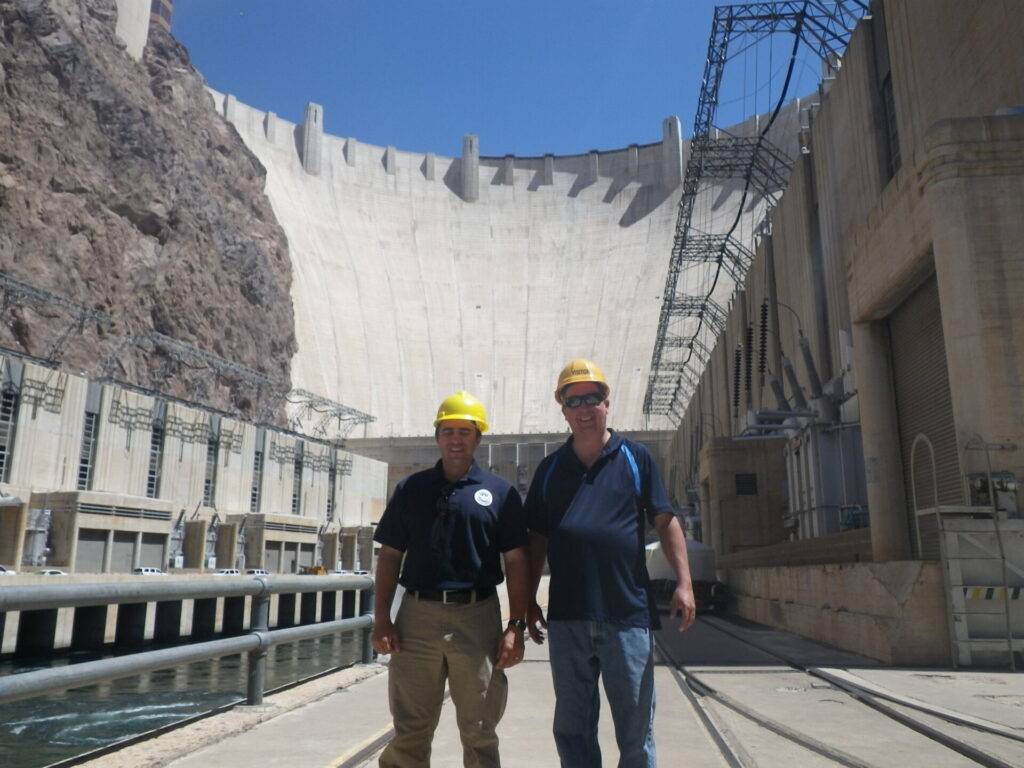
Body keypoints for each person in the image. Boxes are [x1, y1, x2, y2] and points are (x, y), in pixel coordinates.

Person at [524, 359, 696, 768]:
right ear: (563, 409)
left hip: (628, 617)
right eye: (574, 400)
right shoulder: (549, 471)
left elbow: (665, 521)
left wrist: (684, 583)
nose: (584, 409)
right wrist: (526, 602)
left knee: (636, 733)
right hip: (568, 619)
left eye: (593, 399)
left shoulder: (636, 458)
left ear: (607, 403)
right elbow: (535, 542)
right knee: (573, 730)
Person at [372, 391, 530, 768]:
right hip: (417, 617)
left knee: (479, 729)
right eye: (448, 431)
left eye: (464, 431)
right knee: (410, 728)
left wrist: (515, 627)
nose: (455, 439)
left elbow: (517, 562)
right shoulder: (411, 490)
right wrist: (381, 618)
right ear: (437, 436)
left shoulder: (500, 494)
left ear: (478, 437)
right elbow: (390, 555)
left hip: (476, 617)